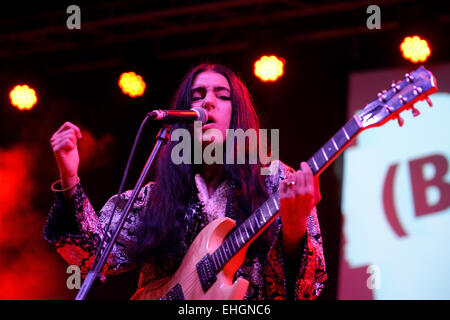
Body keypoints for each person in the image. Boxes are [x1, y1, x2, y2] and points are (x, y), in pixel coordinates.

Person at [44, 63, 327, 300]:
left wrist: (295, 226)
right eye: (197, 95)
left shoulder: (275, 182)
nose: (208, 101)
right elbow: (91, 256)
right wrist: (69, 178)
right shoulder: (154, 197)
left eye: (222, 95)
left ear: (238, 114)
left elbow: (304, 291)